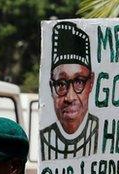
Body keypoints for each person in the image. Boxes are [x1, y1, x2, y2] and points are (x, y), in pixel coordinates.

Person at [39, 21, 100, 160]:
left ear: (91, 83)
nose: (70, 97)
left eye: (79, 82)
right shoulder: (44, 141)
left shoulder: (105, 136)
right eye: (61, 84)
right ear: (50, 87)